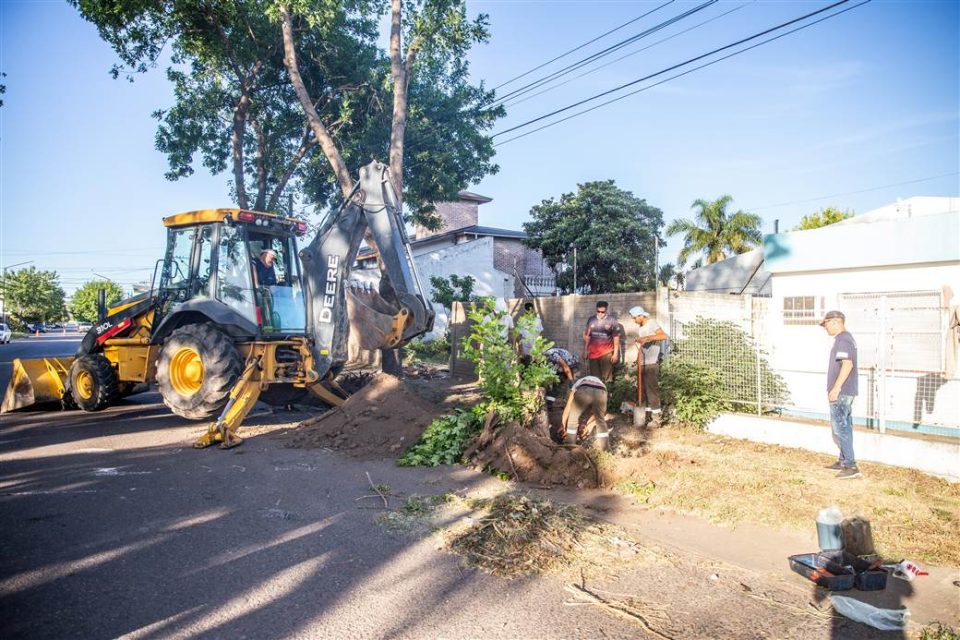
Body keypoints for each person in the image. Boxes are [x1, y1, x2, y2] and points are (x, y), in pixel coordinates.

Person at [821, 310, 860, 479]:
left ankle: (851, 466)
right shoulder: (845, 339)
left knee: (840, 428)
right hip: (846, 391)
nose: (825, 328)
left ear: (836, 322)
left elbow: (847, 364)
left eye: (826, 324)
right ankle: (843, 460)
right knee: (844, 426)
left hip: (842, 392)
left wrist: (836, 388)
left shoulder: (843, 339)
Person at [629, 306, 669, 427]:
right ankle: (644, 418)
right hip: (642, 363)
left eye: (635, 318)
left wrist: (646, 338)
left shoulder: (652, 323)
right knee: (642, 391)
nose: (634, 320)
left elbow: (663, 335)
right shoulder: (641, 327)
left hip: (651, 363)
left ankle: (657, 420)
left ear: (641, 316)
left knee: (652, 391)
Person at [561, 375, 609, 450]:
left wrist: (563, 424)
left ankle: (569, 446)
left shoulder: (577, 384)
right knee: (600, 420)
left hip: (585, 388)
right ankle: (605, 450)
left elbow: (568, 406)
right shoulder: (601, 383)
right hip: (601, 390)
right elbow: (603, 413)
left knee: (573, 418)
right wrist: (586, 423)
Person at [583, 301, 619, 382]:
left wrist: (615, 353)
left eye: (603, 312)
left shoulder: (612, 320)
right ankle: (597, 394)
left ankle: (607, 394)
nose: (600, 314)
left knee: (607, 378)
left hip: (606, 353)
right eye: (598, 311)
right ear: (596, 309)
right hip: (593, 354)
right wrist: (585, 350)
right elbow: (587, 336)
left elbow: (616, 338)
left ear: (607, 310)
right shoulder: (591, 320)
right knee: (594, 379)